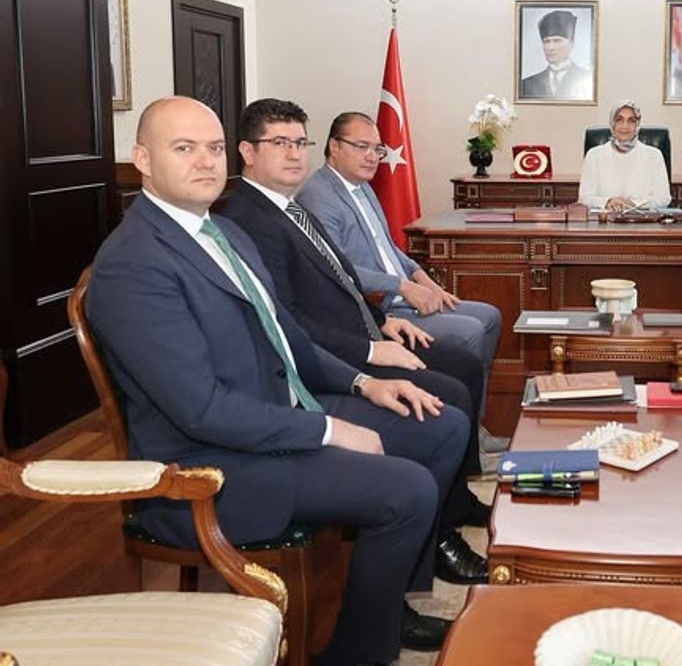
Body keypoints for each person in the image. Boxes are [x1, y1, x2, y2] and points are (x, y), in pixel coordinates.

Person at [86, 96, 469, 665]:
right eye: (184, 148)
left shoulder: (223, 233)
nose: (205, 161)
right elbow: (201, 410)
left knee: (439, 425)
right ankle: (356, 653)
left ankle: (386, 604)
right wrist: (329, 430)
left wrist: (365, 385)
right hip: (209, 464)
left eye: (213, 148)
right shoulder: (133, 264)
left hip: (276, 413)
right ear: (142, 159)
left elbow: (288, 337)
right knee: (406, 490)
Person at [219, 99, 493, 578]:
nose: (294, 154)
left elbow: (342, 277)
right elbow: (287, 321)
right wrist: (368, 351)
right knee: (446, 400)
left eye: (298, 142)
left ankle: (451, 506)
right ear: (246, 151)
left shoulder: (287, 206)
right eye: (279, 143)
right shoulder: (249, 219)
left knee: (462, 369)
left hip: (362, 332)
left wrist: (383, 321)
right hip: (329, 358)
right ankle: (434, 538)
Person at [297, 112, 503, 446]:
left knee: (489, 316)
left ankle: (476, 428)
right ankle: (464, 437)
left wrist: (424, 280)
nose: (372, 156)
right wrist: (403, 287)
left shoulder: (363, 188)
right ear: (334, 146)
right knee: (470, 331)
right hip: (379, 309)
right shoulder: (318, 196)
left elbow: (387, 246)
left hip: (404, 295)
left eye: (377, 149)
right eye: (361, 147)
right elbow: (336, 270)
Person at [578, 100, 671, 211]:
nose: (625, 126)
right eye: (619, 120)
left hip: (642, 219)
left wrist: (633, 204)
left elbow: (664, 199)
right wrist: (608, 202)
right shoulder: (594, 155)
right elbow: (584, 198)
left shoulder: (654, 156)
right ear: (612, 124)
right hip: (605, 219)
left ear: (637, 125)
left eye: (631, 121)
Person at [519, 9, 592, 100]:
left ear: (571, 44)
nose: (551, 47)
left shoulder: (586, 78)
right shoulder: (526, 85)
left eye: (557, 41)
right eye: (547, 42)